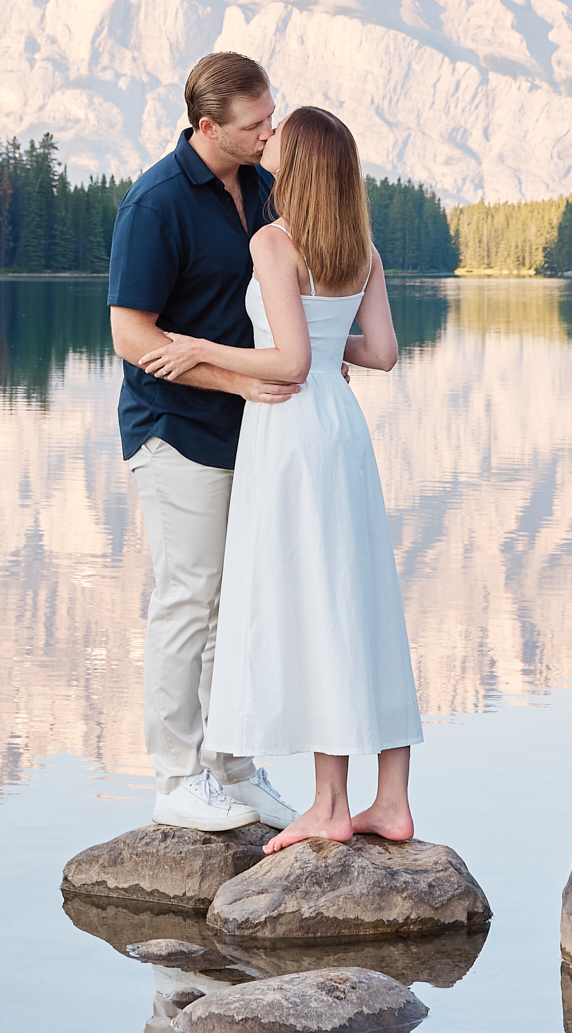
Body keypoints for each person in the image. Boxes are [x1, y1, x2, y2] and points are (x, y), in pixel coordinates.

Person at [137, 105, 422, 849]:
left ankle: (330, 806)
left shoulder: (274, 242)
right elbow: (383, 352)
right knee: (361, 596)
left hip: (292, 431)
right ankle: (389, 801)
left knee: (316, 603)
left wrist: (202, 344)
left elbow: (286, 365)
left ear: (292, 168)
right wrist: (328, 343)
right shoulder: (361, 249)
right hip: (344, 428)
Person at [107, 51, 300, 834]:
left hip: (249, 430)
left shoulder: (260, 186)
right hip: (176, 431)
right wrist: (234, 383)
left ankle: (232, 768)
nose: (269, 133)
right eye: (256, 125)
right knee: (188, 600)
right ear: (207, 126)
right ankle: (176, 777)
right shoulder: (155, 205)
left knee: (239, 605)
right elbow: (130, 334)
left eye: (272, 118)